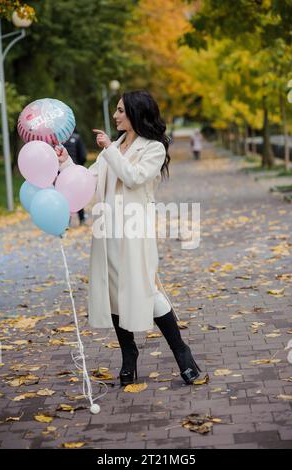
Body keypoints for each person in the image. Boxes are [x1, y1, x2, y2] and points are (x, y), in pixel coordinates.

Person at [55, 90, 201, 387]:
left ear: (135, 113)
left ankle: (182, 353)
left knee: (147, 290)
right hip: (107, 231)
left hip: (135, 231)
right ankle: (128, 356)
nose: (115, 116)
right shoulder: (116, 146)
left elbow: (134, 177)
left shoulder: (154, 148)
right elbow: (91, 183)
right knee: (113, 293)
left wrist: (109, 149)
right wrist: (67, 163)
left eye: (120, 110)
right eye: (117, 110)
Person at [63, 128, 87, 225]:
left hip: (62, 173)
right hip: (75, 172)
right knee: (77, 195)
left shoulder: (58, 140)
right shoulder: (77, 138)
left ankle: (66, 222)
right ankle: (81, 218)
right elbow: (83, 156)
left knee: (64, 197)